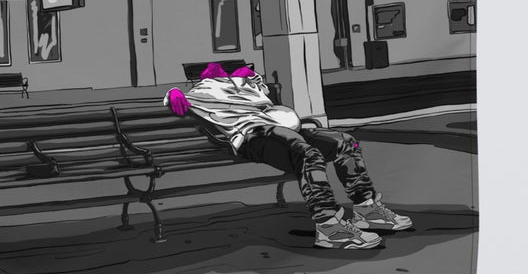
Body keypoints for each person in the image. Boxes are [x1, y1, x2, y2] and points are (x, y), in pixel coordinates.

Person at [164, 62, 412, 250]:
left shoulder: (250, 85)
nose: (240, 75)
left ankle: (366, 209)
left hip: (285, 128)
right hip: (254, 136)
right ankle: (329, 227)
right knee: (308, 154)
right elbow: (173, 98)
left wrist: (250, 80)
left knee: (343, 142)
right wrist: (175, 93)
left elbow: (266, 99)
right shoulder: (205, 89)